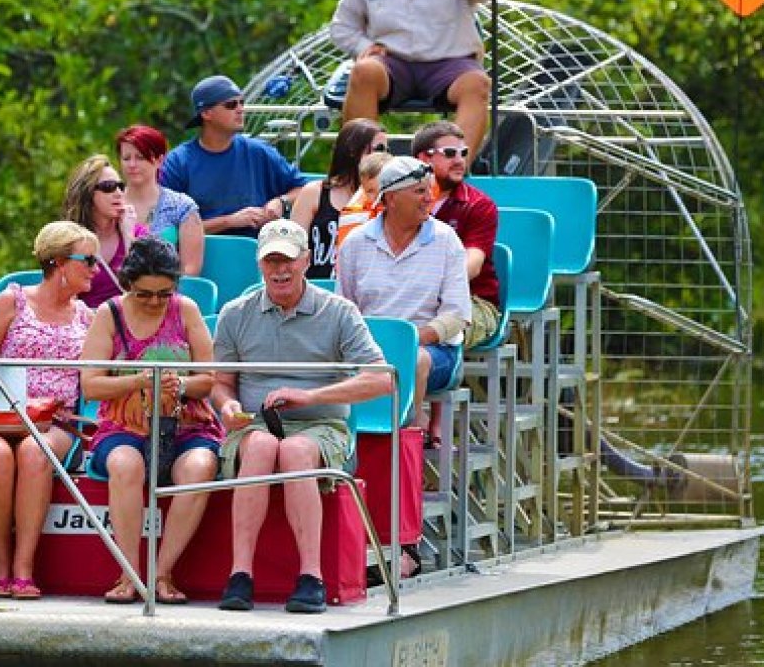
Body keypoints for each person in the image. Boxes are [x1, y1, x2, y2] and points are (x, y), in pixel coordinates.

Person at [212, 220, 389, 614]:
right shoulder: (235, 313)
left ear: (306, 260)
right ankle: (240, 574)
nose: (280, 269)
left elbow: (381, 380)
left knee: (294, 451)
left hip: (320, 425)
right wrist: (226, 406)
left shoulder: (339, 311)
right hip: (256, 424)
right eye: (271, 260)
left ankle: (312, 576)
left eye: (288, 260)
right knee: (261, 445)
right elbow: (220, 383)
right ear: (260, 264)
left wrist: (310, 396)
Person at [329, 0, 545, 160]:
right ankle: (361, 168)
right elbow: (341, 26)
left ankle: (455, 170)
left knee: (477, 84)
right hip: (394, 65)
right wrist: (363, 47)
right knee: (363, 71)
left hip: (449, 63)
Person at [79, 237, 222, 605]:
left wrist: (181, 385)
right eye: (144, 294)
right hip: (123, 426)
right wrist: (141, 381)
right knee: (125, 465)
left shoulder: (186, 310)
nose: (155, 302)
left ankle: (161, 572)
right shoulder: (108, 314)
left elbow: (208, 380)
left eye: (163, 293)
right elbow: (91, 385)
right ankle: (128, 573)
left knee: (200, 466)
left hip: (187, 424)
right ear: (128, 284)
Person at [0, 221, 97, 600]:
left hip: (56, 422)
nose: (95, 269)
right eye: (88, 260)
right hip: (0, 417)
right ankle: (1, 564)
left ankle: (24, 567)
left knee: (34, 451)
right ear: (59, 262)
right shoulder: (12, 301)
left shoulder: (87, 316)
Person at [336, 157, 471, 445]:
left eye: (429, 189)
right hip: (369, 348)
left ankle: (407, 438)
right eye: (419, 191)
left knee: (414, 360)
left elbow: (457, 315)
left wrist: (408, 340)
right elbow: (343, 309)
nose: (429, 198)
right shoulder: (356, 243)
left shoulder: (446, 240)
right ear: (392, 198)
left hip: (435, 351)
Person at [160, 75, 306, 237]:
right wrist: (230, 221)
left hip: (257, 250)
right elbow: (166, 226)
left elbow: (303, 189)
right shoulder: (178, 162)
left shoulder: (260, 151)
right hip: (203, 251)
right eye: (231, 105)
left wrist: (281, 202)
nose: (240, 109)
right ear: (206, 113)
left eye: (242, 103)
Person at [411, 121, 501, 349]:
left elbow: (472, 266)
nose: (460, 160)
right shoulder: (400, 201)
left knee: (423, 336)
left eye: (464, 153)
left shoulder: (479, 205)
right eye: (450, 153)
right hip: (411, 297)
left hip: (473, 302)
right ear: (424, 158)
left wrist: (421, 288)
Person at [290, 119, 388, 279]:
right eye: (379, 149)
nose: (383, 157)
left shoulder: (385, 198)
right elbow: (292, 248)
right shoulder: (314, 193)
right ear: (353, 150)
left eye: (386, 150)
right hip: (318, 286)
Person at [116, 124, 205, 276]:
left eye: (140, 157)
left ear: (160, 160)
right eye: (126, 158)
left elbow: (190, 270)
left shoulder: (182, 207)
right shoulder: (110, 203)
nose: (132, 165)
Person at [63, 155, 149, 308]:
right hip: (86, 318)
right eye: (108, 187)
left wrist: (128, 237)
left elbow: (145, 290)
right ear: (88, 193)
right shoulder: (70, 239)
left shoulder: (138, 234)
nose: (118, 193)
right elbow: (66, 299)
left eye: (120, 186)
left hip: (131, 316)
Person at [336, 150, 390, 252]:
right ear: (363, 189)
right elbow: (346, 255)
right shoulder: (353, 215)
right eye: (370, 191)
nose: (377, 196)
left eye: (382, 189)